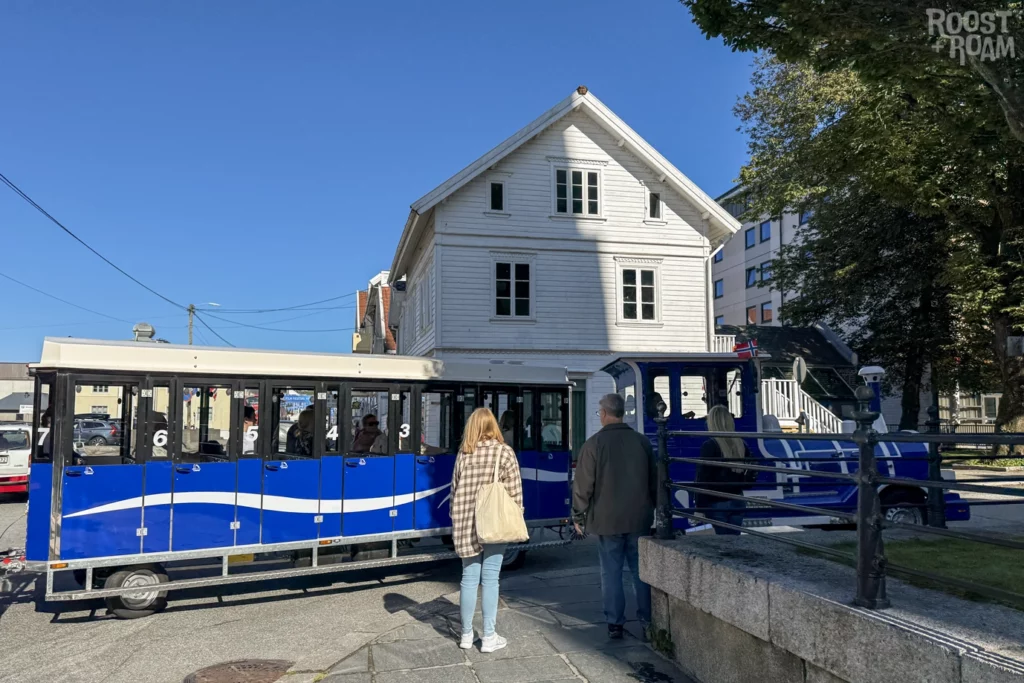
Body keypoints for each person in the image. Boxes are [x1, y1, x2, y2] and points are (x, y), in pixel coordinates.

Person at [572, 393, 655, 640]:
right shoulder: (641, 442)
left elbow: (583, 485)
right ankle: (648, 619)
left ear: (606, 414)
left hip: (607, 520)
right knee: (641, 572)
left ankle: (614, 623)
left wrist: (579, 516)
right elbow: (655, 480)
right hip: (639, 517)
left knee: (611, 573)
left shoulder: (593, 444)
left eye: (600, 412)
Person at [449, 407, 523, 654]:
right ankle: (489, 637)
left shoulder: (464, 453)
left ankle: (466, 635)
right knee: (491, 578)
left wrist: (456, 517)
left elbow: (453, 491)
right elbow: (515, 492)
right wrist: (516, 516)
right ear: (494, 426)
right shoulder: (504, 452)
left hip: (464, 521)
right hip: (493, 521)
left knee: (468, 579)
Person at [696, 405, 757, 535]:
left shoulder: (710, 445)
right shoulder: (741, 445)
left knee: (721, 541)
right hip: (737, 499)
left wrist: (699, 506)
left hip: (717, 501)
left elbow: (703, 478)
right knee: (734, 540)